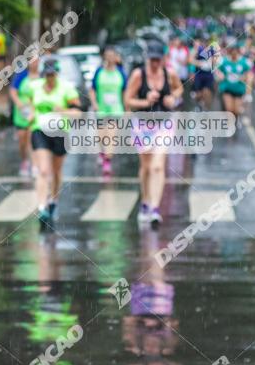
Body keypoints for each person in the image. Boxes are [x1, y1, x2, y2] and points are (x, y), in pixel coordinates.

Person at [124, 42, 183, 229]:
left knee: (158, 166)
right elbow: (128, 100)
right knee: (146, 167)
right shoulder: (138, 75)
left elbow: (179, 89)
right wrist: (145, 101)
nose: (156, 63)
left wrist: (173, 98)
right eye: (152, 60)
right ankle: (145, 200)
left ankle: (155, 208)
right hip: (142, 124)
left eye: (159, 59)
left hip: (164, 124)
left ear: (163, 59)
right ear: (147, 58)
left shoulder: (170, 74)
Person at [27, 57, 80, 230]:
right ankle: (42, 207)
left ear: (57, 73)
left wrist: (63, 110)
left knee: (56, 171)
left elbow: (78, 113)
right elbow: (32, 106)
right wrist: (31, 114)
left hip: (59, 132)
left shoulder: (66, 88)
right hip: (40, 130)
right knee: (43, 170)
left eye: (53, 74)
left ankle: (54, 201)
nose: (50, 78)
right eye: (47, 75)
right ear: (44, 74)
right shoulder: (35, 87)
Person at [89, 46, 126, 176]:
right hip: (101, 109)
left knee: (111, 135)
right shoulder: (99, 72)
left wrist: (127, 108)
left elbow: (125, 92)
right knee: (101, 137)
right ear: (104, 57)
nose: (110, 58)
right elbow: (92, 89)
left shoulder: (121, 72)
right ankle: (102, 153)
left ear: (116, 57)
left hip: (116, 110)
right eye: (107, 55)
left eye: (112, 55)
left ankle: (107, 161)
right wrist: (94, 103)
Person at [9, 58, 39, 176]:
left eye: (37, 61)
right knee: (22, 139)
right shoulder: (21, 75)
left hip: (36, 112)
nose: (34, 63)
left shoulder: (42, 76)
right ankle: (24, 160)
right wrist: (20, 104)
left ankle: (35, 164)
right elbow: (13, 91)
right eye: (32, 61)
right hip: (21, 113)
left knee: (32, 139)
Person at [215, 42, 252, 131]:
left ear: (238, 52)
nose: (234, 54)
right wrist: (219, 75)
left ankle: (236, 119)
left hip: (239, 89)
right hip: (227, 88)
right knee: (229, 108)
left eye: (235, 52)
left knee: (236, 110)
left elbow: (249, 74)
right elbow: (217, 71)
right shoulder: (224, 61)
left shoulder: (244, 62)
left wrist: (246, 82)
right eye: (232, 52)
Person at [189, 34, 218, 112]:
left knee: (206, 92)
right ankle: (199, 104)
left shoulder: (212, 50)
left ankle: (206, 108)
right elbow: (190, 60)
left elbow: (215, 62)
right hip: (199, 74)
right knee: (198, 94)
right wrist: (199, 63)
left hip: (208, 75)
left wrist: (211, 63)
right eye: (203, 41)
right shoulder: (197, 50)